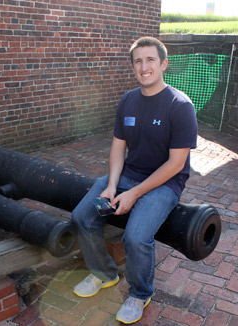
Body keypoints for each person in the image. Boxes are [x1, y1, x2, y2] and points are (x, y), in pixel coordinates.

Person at [71, 36, 198, 324]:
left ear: (163, 64)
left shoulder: (180, 106)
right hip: (128, 174)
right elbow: (118, 148)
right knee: (81, 216)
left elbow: (176, 163)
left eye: (150, 59)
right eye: (138, 61)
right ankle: (104, 274)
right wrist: (113, 186)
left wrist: (135, 193)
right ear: (133, 67)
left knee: (137, 237)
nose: (144, 66)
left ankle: (140, 293)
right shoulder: (128, 100)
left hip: (165, 183)